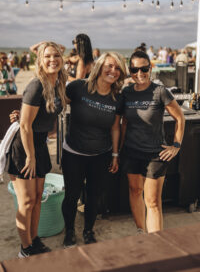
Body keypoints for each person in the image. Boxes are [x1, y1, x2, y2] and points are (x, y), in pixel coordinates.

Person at [6, 42, 67, 258]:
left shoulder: (58, 83)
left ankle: (34, 240)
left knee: (39, 196)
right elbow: (24, 125)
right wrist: (30, 156)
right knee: (27, 200)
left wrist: (50, 48)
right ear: (39, 61)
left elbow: (61, 49)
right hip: (24, 147)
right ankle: (25, 249)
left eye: (56, 56)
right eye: (47, 56)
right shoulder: (36, 85)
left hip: (40, 143)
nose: (53, 59)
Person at [62, 52, 127, 247]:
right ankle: (70, 232)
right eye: (109, 66)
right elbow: (55, 102)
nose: (113, 71)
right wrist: (22, 114)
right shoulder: (77, 88)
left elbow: (116, 127)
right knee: (72, 195)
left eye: (117, 68)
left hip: (101, 155)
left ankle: (88, 231)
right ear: (99, 67)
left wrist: (115, 155)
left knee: (94, 196)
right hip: (73, 153)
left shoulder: (118, 97)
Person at [120, 50, 185, 234]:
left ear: (150, 68)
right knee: (134, 191)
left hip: (155, 154)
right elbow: (124, 122)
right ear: (130, 70)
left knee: (153, 202)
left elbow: (180, 118)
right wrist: (118, 152)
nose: (139, 74)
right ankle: (142, 232)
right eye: (134, 69)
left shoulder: (159, 91)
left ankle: (156, 244)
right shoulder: (126, 93)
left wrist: (176, 146)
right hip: (131, 152)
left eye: (143, 69)